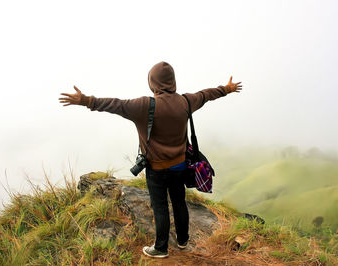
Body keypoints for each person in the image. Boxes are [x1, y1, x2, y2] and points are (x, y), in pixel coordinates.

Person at [59, 61, 242, 258]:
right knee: (179, 202)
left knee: (160, 206)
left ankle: (161, 248)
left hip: (157, 169)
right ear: (172, 81)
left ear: (152, 82)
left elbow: (115, 104)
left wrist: (86, 100)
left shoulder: (144, 106)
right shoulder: (186, 102)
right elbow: (206, 95)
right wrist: (227, 89)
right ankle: (183, 241)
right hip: (180, 166)